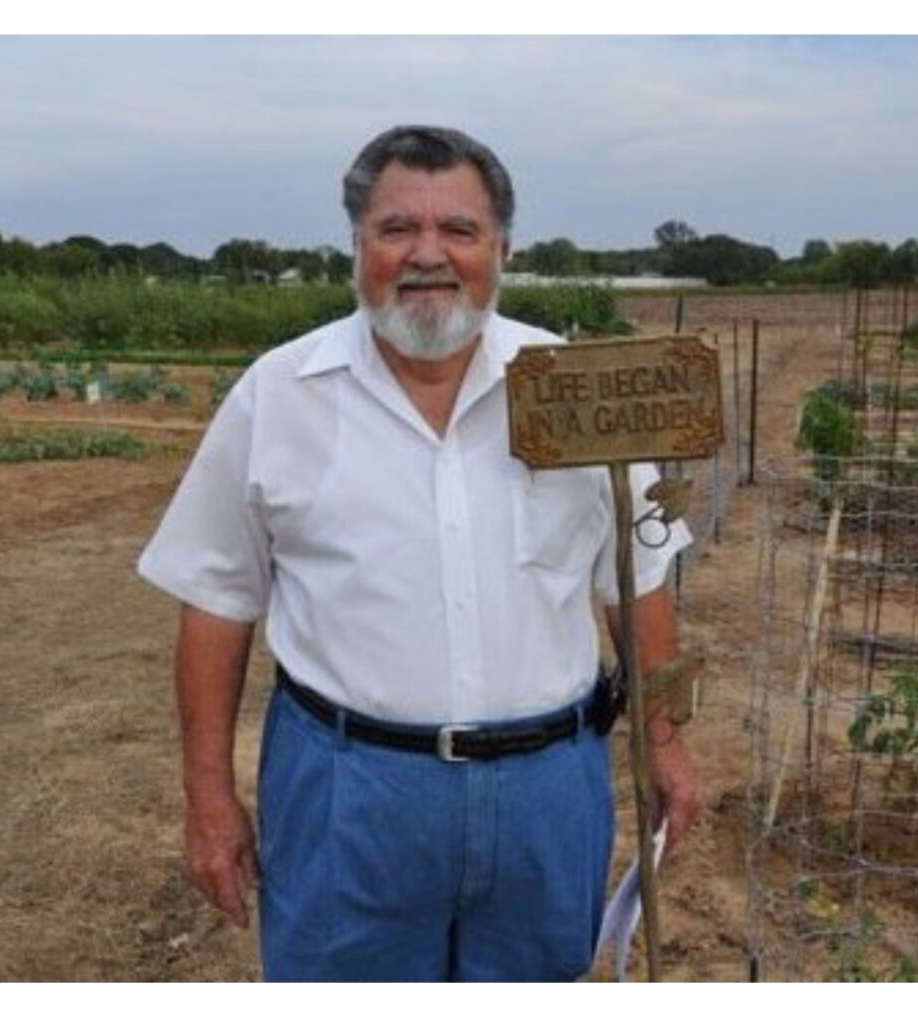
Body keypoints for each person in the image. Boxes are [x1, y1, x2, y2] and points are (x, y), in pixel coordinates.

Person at [137, 124, 702, 982]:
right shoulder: (278, 396)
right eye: (397, 229)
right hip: (346, 794)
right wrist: (208, 798)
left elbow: (638, 578)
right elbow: (216, 600)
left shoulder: (581, 390)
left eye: (460, 231)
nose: (427, 254)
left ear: (503, 249)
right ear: (357, 246)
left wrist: (663, 741)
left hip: (549, 792)